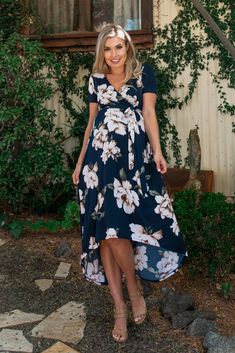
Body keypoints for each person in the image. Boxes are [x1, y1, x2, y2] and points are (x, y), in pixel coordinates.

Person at [72, 24, 187, 343]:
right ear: (101, 52)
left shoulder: (144, 73)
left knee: (117, 229)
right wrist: (81, 162)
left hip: (133, 162)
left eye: (118, 48)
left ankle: (133, 289)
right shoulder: (95, 80)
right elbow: (92, 122)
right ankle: (122, 306)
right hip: (99, 164)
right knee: (105, 233)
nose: (113, 55)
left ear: (128, 48)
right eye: (107, 49)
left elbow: (149, 114)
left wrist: (159, 153)